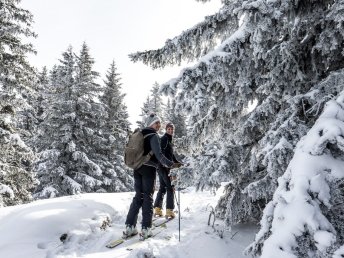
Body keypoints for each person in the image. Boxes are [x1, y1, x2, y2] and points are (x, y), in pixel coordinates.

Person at [124, 114, 178, 239]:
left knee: (138, 196)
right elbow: (159, 155)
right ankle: (146, 228)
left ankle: (130, 227)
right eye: (156, 123)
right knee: (147, 197)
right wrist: (171, 164)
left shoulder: (141, 134)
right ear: (150, 124)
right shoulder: (153, 136)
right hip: (148, 170)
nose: (158, 125)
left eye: (159, 123)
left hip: (137, 168)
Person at [153, 122, 182, 219]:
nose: (170, 131)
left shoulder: (169, 140)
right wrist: (167, 164)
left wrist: (177, 162)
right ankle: (169, 211)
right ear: (166, 130)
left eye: (172, 129)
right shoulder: (164, 139)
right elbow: (160, 153)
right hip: (163, 166)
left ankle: (157, 208)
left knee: (162, 187)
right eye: (169, 129)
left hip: (162, 166)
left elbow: (171, 155)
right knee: (170, 187)